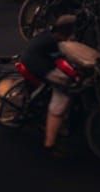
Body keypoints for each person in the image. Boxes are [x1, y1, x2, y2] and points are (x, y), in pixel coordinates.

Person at [21, 15, 78, 151]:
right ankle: (50, 141)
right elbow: (64, 60)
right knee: (64, 90)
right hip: (40, 67)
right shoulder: (54, 43)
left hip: (33, 59)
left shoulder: (49, 34)